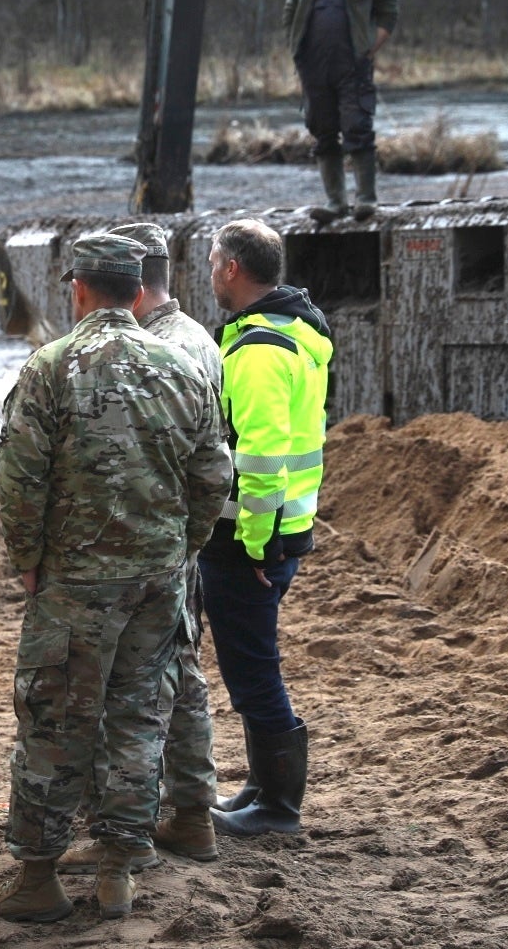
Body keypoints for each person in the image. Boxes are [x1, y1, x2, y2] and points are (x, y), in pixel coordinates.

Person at [0, 233, 232, 924]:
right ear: (136, 287)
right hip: (156, 576)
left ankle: (36, 877)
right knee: (138, 717)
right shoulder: (182, 365)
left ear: (79, 289)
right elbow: (214, 475)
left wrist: (25, 559)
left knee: (54, 720)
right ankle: (120, 867)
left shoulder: (51, 367)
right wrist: (184, 545)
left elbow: (20, 478)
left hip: (76, 581)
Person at [56, 221, 223, 878]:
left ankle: (155, 817)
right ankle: (184, 810)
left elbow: (203, 464)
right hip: (169, 543)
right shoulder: (189, 342)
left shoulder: (172, 347)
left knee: (152, 686)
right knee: (175, 681)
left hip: (147, 550)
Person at [202, 219, 333, 836]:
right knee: (252, 662)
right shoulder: (296, 333)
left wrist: (255, 543)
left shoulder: (255, 350)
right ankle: (261, 786)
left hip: (250, 540)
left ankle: (278, 806)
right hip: (288, 528)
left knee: (252, 667)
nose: (208, 275)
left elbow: (260, 457)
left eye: (210, 263)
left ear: (231, 268)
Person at [282, 0, 399, 222]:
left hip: (353, 63)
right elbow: (290, 10)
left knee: (357, 127)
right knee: (322, 131)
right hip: (314, 65)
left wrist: (371, 47)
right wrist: (296, 47)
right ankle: (335, 202)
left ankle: (366, 200)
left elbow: (389, 8)